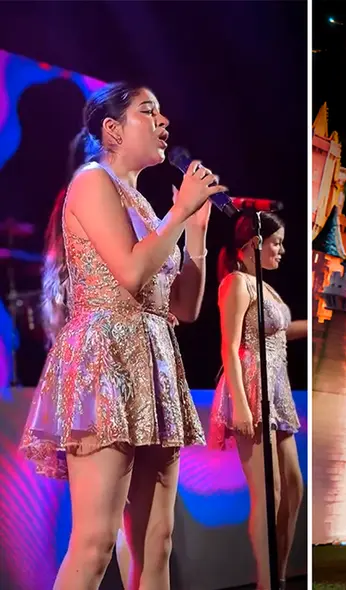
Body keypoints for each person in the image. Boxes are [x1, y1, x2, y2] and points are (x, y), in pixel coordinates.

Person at [19, 82, 224, 590]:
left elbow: (184, 307)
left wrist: (194, 233)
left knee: (157, 543)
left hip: (154, 361)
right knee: (95, 545)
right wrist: (178, 216)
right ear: (111, 130)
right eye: (148, 111)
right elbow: (131, 274)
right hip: (105, 358)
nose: (163, 122)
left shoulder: (145, 204)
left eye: (161, 111)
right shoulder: (91, 182)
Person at [208, 212, 305, 589]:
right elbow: (229, 347)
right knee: (270, 491)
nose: (281, 250)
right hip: (251, 387)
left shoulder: (267, 288)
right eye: (276, 243)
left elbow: (280, 330)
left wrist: (315, 325)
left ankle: (278, 574)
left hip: (277, 389)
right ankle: (267, 581)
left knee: (293, 485)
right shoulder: (236, 283)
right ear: (253, 245)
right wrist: (243, 406)